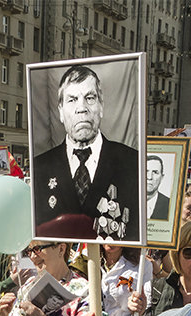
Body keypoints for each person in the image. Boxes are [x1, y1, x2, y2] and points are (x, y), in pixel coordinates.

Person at [32, 65, 139, 241]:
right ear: (60, 111)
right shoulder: (41, 167)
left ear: (101, 106)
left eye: (90, 98)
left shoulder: (131, 162)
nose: (82, 108)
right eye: (72, 99)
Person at [146, 155, 171, 221]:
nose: (149, 177)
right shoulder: (128, 199)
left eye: (155, 172)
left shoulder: (170, 205)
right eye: (146, 171)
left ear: (161, 177)